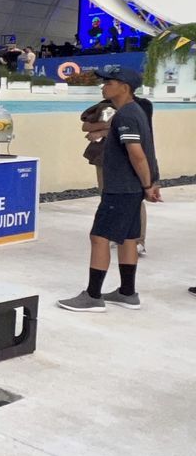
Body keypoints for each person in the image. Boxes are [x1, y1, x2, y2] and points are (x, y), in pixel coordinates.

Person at [60, 67, 160, 313]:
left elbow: (137, 154)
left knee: (99, 237)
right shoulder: (135, 111)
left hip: (121, 188)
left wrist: (148, 185)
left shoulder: (126, 115)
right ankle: (127, 292)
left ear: (124, 87)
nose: (103, 87)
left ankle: (93, 296)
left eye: (109, 83)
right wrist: (148, 183)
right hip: (131, 188)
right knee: (128, 239)